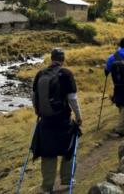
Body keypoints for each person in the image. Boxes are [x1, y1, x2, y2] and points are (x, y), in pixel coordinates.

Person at [31, 48, 82, 194]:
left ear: (51, 58)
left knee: (48, 153)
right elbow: (72, 98)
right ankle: (67, 181)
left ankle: (47, 187)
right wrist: (78, 117)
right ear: (63, 59)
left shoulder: (40, 74)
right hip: (62, 120)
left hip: (45, 120)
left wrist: (37, 110)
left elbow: (34, 96)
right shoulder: (66, 74)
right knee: (69, 149)